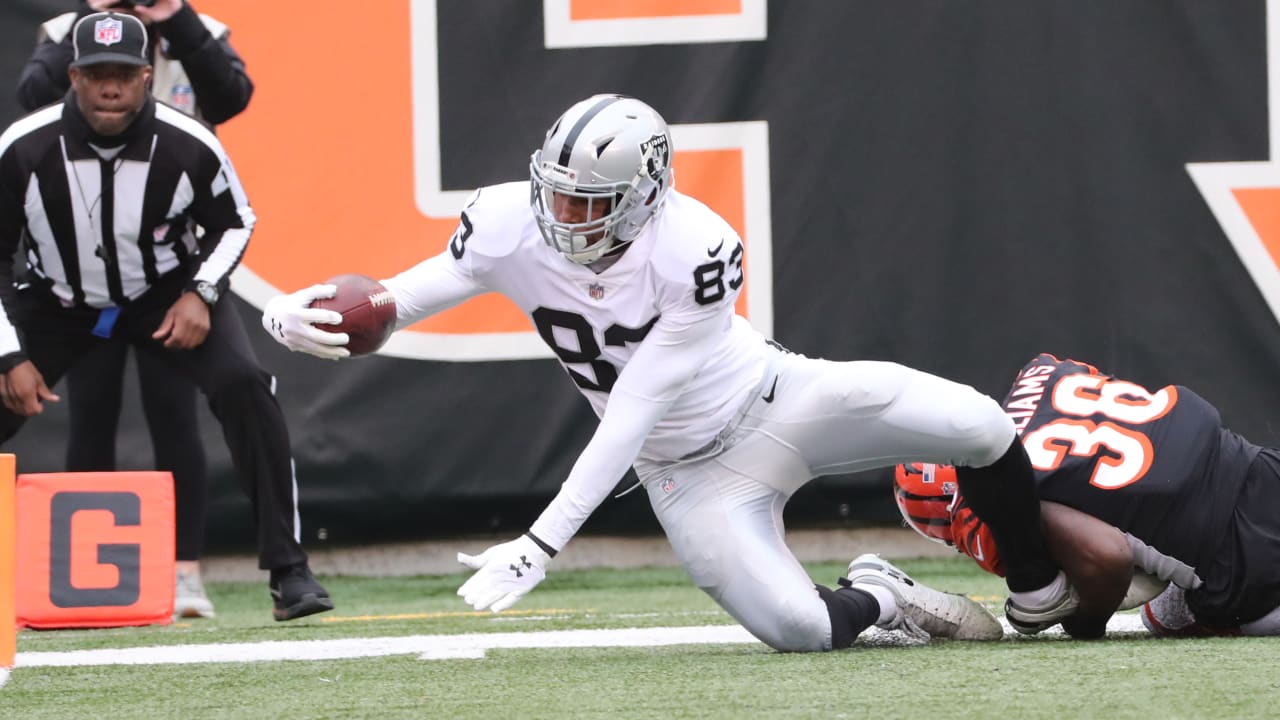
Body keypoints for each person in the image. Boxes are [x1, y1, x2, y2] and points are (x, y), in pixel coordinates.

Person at [262, 94, 1081, 650]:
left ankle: (1038, 583)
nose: (562, 215)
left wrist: (545, 540)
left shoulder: (694, 247)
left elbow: (635, 403)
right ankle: (884, 596)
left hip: (776, 401)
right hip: (686, 476)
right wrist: (295, 316)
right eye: (555, 193)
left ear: (645, 193)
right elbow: (396, 301)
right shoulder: (510, 222)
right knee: (798, 631)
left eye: (587, 202)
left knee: (978, 423)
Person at [0, 11, 331, 622]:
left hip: (163, 296)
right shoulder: (24, 147)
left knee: (245, 386)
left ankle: (290, 571)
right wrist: (10, 355)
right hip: (58, 300)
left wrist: (201, 293)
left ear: (148, 76)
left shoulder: (188, 141)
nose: (110, 88)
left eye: (123, 75)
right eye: (96, 74)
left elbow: (238, 220)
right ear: (72, 76)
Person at [892, 353, 1280, 639]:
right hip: (1263, 467)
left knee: (1164, 616)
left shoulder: (982, 510)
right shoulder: (1042, 372)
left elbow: (1107, 559)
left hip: (1243, 567)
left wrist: (1084, 625)